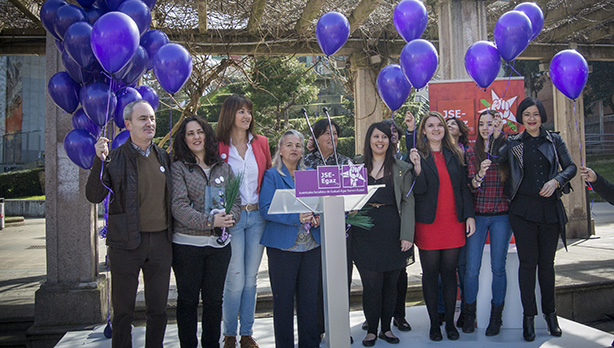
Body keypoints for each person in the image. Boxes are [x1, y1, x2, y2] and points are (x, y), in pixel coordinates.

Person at [86, 100, 172, 348]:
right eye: (143, 118)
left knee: (158, 311)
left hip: (160, 244)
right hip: (125, 245)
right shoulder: (113, 158)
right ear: (128, 124)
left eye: (152, 118)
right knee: (123, 312)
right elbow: (94, 195)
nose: (150, 123)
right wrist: (97, 161)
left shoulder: (163, 156)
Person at [491, 97, 576, 342]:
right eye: (527, 114)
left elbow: (569, 167)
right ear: (521, 117)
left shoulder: (554, 139)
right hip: (522, 211)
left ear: (542, 116)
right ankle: (528, 318)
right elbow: (496, 159)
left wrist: (556, 180)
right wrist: (497, 136)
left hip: (549, 210)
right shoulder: (514, 142)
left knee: (547, 265)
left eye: (535, 114)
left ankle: (551, 315)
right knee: (527, 265)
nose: (531, 118)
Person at [171, 116, 241, 348]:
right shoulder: (179, 167)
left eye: (200, 132)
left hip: (219, 249)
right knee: (188, 302)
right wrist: (211, 221)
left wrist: (231, 217)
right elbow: (178, 208)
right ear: (184, 139)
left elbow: (237, 203)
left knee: (214, 302)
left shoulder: (224, 167)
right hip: (187, 247)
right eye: (190, 133)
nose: (196, 137)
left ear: (207, 135)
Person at [408, 111, 475, 342]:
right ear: (423, 131)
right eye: (430, 125)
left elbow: (464, 187)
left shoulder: (456, 154)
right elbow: (419, 191)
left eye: (439, 125)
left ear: (444, 129)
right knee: (430, 275)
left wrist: (469, 216)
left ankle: (450, 324)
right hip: (428, 224)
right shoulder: (418, 155)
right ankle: (434, 324)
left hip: (453, 222)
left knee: (449, 274)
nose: (436, 129)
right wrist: (416, 168)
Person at [216, 94, 272, 348]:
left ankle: (247, 333)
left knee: (252, 278)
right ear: (229, 114)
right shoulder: (217, 146)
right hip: (233, 219)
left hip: (257, 215)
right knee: (235, 277)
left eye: (249, 111)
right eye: (240, 111)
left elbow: (268, 176)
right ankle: (229, 334)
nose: (246, 116)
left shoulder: (260, 143)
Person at [352, 122, 414, 347]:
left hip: (393, 231)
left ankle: (386, 329)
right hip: (364, 231)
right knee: (371, 284)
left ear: (390, 141)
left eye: (384, 137)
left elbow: (408, 203)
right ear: (369, 140)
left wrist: (407, 235)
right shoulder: (356, 165)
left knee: (391, 284)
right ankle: (371, 329)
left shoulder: (401, 168)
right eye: (376, 136)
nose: (380, 141)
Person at [259, 130, 322, 348]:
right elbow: (266, 209)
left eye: (298, 145)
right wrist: (296, 218)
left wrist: (318, 217)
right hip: (283, 249)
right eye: (289, 145)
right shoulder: (272, 175)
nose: (294, 148)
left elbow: (320, 204)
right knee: (283, 303)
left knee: (309, 302)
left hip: (311, 246)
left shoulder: (311, 174)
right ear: (280, 149)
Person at [462, 110, 512, 336]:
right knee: (472, 269)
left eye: (490, 124)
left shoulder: (507, 150)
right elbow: (471, 187)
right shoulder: (472, 153)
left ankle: (496, 317)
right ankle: (469, 315)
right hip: (479, 216)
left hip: (502, 215)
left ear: (497, 125)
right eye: (481, 123)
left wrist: (502, 139)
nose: (485, 127)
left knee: (498, 268)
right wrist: (479, 175)